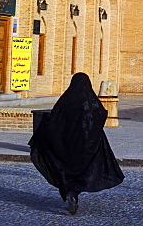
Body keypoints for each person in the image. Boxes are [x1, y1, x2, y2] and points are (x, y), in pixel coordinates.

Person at [29, 72, 124, 215]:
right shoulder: (90, 100)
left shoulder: (67, 100)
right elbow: (101, 114)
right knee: (84, 170)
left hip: (67, 145)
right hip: (85, 146)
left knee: (65, 170)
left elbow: (55, 118)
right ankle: (74, 193)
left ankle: (71, 193)